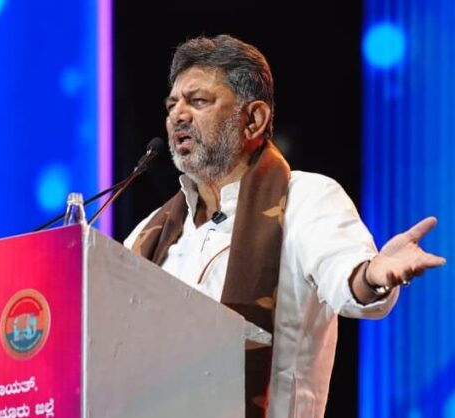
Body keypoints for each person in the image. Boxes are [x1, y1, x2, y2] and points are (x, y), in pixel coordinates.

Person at [124, 34, 445, 418]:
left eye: (198, 101)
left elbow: (346, 278)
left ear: (253, 119)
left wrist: (372, 275)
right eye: (172, 104)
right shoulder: (150, 234)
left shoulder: (306, 200)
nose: (178, 115)